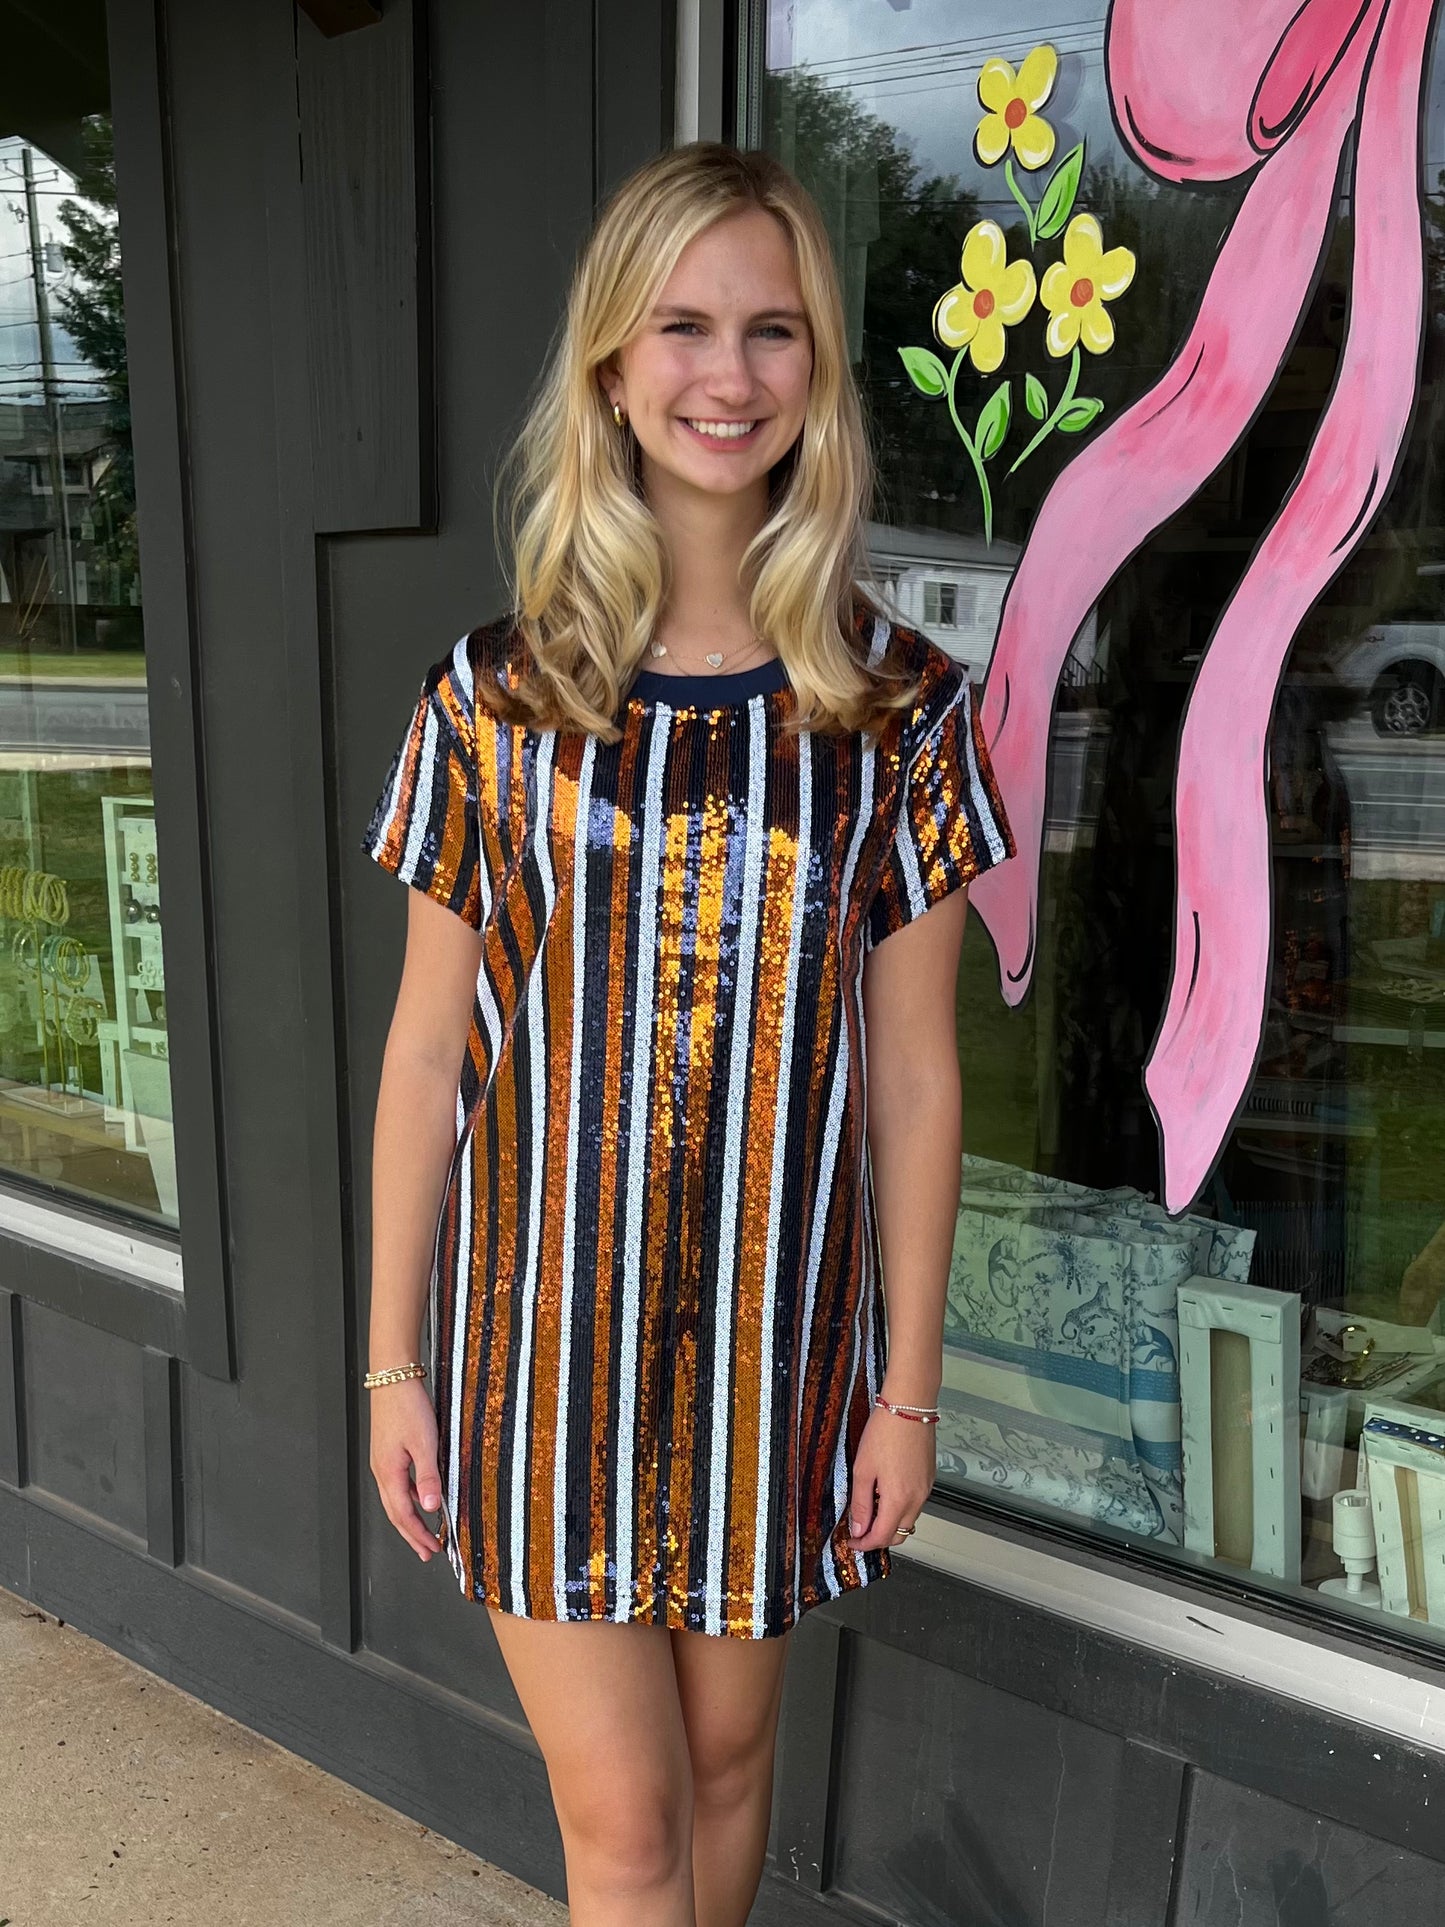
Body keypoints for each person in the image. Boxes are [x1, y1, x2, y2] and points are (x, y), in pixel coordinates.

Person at [359, 141, 1013, 1927]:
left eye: (774, 332)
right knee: (629, 1832)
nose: (728, 376)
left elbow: (914, 1077)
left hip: (779, 1366)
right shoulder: (495, 701)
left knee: (732, 1781)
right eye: (685, 328)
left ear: (816, 374)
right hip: (537, 1354)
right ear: (609, 365)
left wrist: (905, 1390)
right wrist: (390, 1359)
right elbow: (426, 1058)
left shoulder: (895, 712)